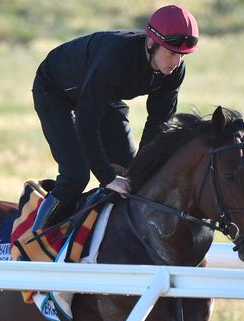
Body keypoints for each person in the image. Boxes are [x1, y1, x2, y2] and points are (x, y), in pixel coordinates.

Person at [31, 4, 199, 231]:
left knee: (131, 174)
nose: (176, 62)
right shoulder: (116, 60)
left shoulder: (174, 71)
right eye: (170, 52)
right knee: (76, 175)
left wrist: (142, 169)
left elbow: (158, 123)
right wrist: (106, 177)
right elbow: (86, 122)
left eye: (182, 55)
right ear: (151, 44)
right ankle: (33, 240)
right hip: (54, 90)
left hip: (100, 95)